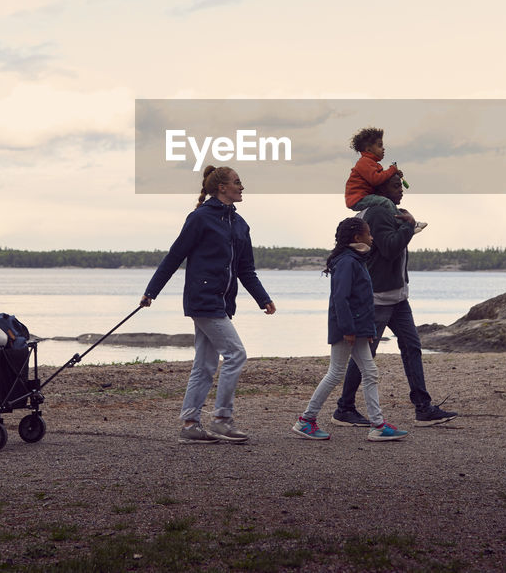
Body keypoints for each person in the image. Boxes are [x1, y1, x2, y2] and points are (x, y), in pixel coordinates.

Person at [141, 165, 276, 444]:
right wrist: (151, 292)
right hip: (203, 300)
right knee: (236, 354)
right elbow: (174, 256)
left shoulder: (240, 225)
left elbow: (246, 269)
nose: (242, 187)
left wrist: (263, 299)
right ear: (221, 188)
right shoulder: (200, 218)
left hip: (223, 303)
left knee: (204, 365)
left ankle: (191, 424)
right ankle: (222, 420)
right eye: (237, 182)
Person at [331, 173, 457, 428]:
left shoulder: (391, 212)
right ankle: (344, 408)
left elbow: (391, 245)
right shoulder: (377, 212)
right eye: (395, 185)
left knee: (412, 347)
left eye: (401, 185)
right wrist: (409, 226)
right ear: (381, 188)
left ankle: (423, 408)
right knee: (367, 354)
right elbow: (389, 248)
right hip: (377, 298)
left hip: (398, 297)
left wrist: (406, 226)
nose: (401, 190)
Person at [292, 217, 408, 443]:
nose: (372, 237)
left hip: (358, 328)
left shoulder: (356, 260)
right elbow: (341, 299)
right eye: (369, 233)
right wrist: (349, 329)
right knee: (336, 372)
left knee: (370, 372)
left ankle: (378, 425)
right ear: (357, 237)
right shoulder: (347, 262)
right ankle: (306, 420)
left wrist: (368, 329)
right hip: (347, 328)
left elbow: (361, 300)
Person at [344, 127, 426, 232]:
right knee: (385, 202)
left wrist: (393, 172)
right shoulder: (364, 162)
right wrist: (392, 170)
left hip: (364, 196)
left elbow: (382, 177)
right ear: (368, 149)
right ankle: (405, 225)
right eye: (379, 145)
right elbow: (376, 179)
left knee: (386, 202)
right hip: (358, 199)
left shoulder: (372, 164)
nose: (383, 148)